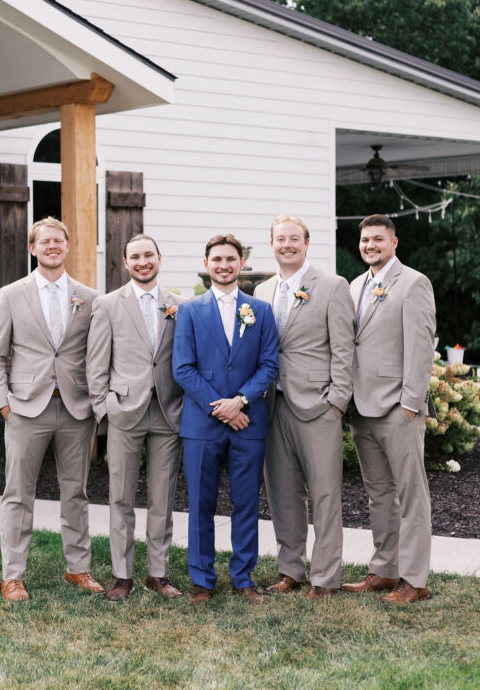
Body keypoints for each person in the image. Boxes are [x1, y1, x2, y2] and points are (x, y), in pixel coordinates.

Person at [0, 217, 101, 602]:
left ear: (67, 247)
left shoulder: (88, 297)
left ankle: (78, 569)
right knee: (18, 494)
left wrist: (95, 403)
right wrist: (4, 404)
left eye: (58, 241)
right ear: (32, 248)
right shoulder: (11, 294)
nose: (52, 246)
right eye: (44, 241)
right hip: (25, 409)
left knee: (77, 493)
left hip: (74, 409)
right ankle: (12, 576)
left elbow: (96, 353)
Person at [172, 234, 279, 605]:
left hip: (248, 423)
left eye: (230, 259)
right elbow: (183, 369)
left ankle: (243, 577)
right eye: (216, 259)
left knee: (246, 502)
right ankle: (202, 580)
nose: (223, 265)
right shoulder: (189, 310)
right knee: (200, 502)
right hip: (203, 425)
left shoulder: (260, 311)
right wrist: (221, 408)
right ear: (207, 263)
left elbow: (269, 365)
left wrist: (241, 402)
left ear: (241, 262)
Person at [255, 215, 355, 599]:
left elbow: (344, 350)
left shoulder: (331, 286)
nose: (287, 245)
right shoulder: (262, 291)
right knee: (282, 492)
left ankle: (325, 578)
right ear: (272, 244)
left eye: (294, 239)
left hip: (318, 406)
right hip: (271, 405)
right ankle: (290, 570)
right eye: (280, 239)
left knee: (325, 494)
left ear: (307, 243)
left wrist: (336, 401)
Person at [342, 214, 435, 604]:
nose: (370, 246)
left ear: (394, 243)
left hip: (399, 409)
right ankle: (384, 570)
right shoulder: (355, 285)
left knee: (411, 495)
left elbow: (421, 347)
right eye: (365, 240)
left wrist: (410, 405)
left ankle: (415, 580)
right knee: (378, 494)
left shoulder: (413, 283)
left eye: (378, 239)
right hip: (361, 409)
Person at [87, 234, 183, 601]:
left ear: (160, 257)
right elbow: (96, 362)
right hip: (124, 411)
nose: (143, 262)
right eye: (135, 257)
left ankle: (157, 573)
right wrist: (103, 408)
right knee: (120, 497)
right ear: (124, 263)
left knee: (163, 497)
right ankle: (122, 575)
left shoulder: (179, 305)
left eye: (149, 255)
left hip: (167, 411)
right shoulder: (108, 304)